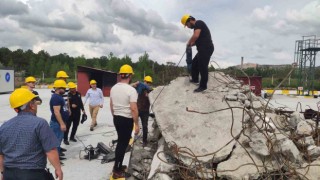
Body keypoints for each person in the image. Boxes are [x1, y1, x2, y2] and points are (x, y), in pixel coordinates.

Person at [0, 88, 63, 180]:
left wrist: (3, 173)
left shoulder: (4, 126)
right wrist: (58, 169)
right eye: (34, 102)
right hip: (32, 174)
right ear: (31, 105)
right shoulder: (40, 123)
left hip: (9, 174)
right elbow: (51, 150)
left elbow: (1, 155)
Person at [110, 64, 139, 179]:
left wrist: (115, 116)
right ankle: (117, 170)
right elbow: (133, 109)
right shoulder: (131, 90)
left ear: (121, 75)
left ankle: (118, 166)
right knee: (122, 144)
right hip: (126, 120)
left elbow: (111, 105)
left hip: (117, 118)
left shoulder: (114, 88)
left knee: (121, 142)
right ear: (130, 75)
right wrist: (136, 124)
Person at [181, 14, 214, 92]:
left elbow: (195, 36)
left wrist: (189, 42)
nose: (188, 27)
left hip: (206, 48)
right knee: (195, 63)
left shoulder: (198, 23)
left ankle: (203, 86)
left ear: (189, 20)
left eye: (187, 25)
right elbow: (198, 39)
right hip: (202, 49)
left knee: (203, 66)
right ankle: (195, 79)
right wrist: (192, 44)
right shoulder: (197, 27)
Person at [50, 80, 69, 161]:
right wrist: (62, 124)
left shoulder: (59, 97)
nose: (65, 90)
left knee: (59, 139)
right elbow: (56, 112)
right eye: (63, 88)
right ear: (58, 88)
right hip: (57, 123)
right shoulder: (56, 98)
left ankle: (57, 155)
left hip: (60, 122)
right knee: (56, 141)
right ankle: (55, 159)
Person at [131, 75, 153, 147]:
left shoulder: (150, 90)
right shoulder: (139, 87)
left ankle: (144, 141)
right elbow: (130, 87)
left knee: (145, 126)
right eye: (147, 82)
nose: (148, 83)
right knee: (133, 125)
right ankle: (131, 139)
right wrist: (136, 83)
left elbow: (153, 89)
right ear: (144, 81)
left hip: (145, 111)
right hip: (137, 109)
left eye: (149, 82)